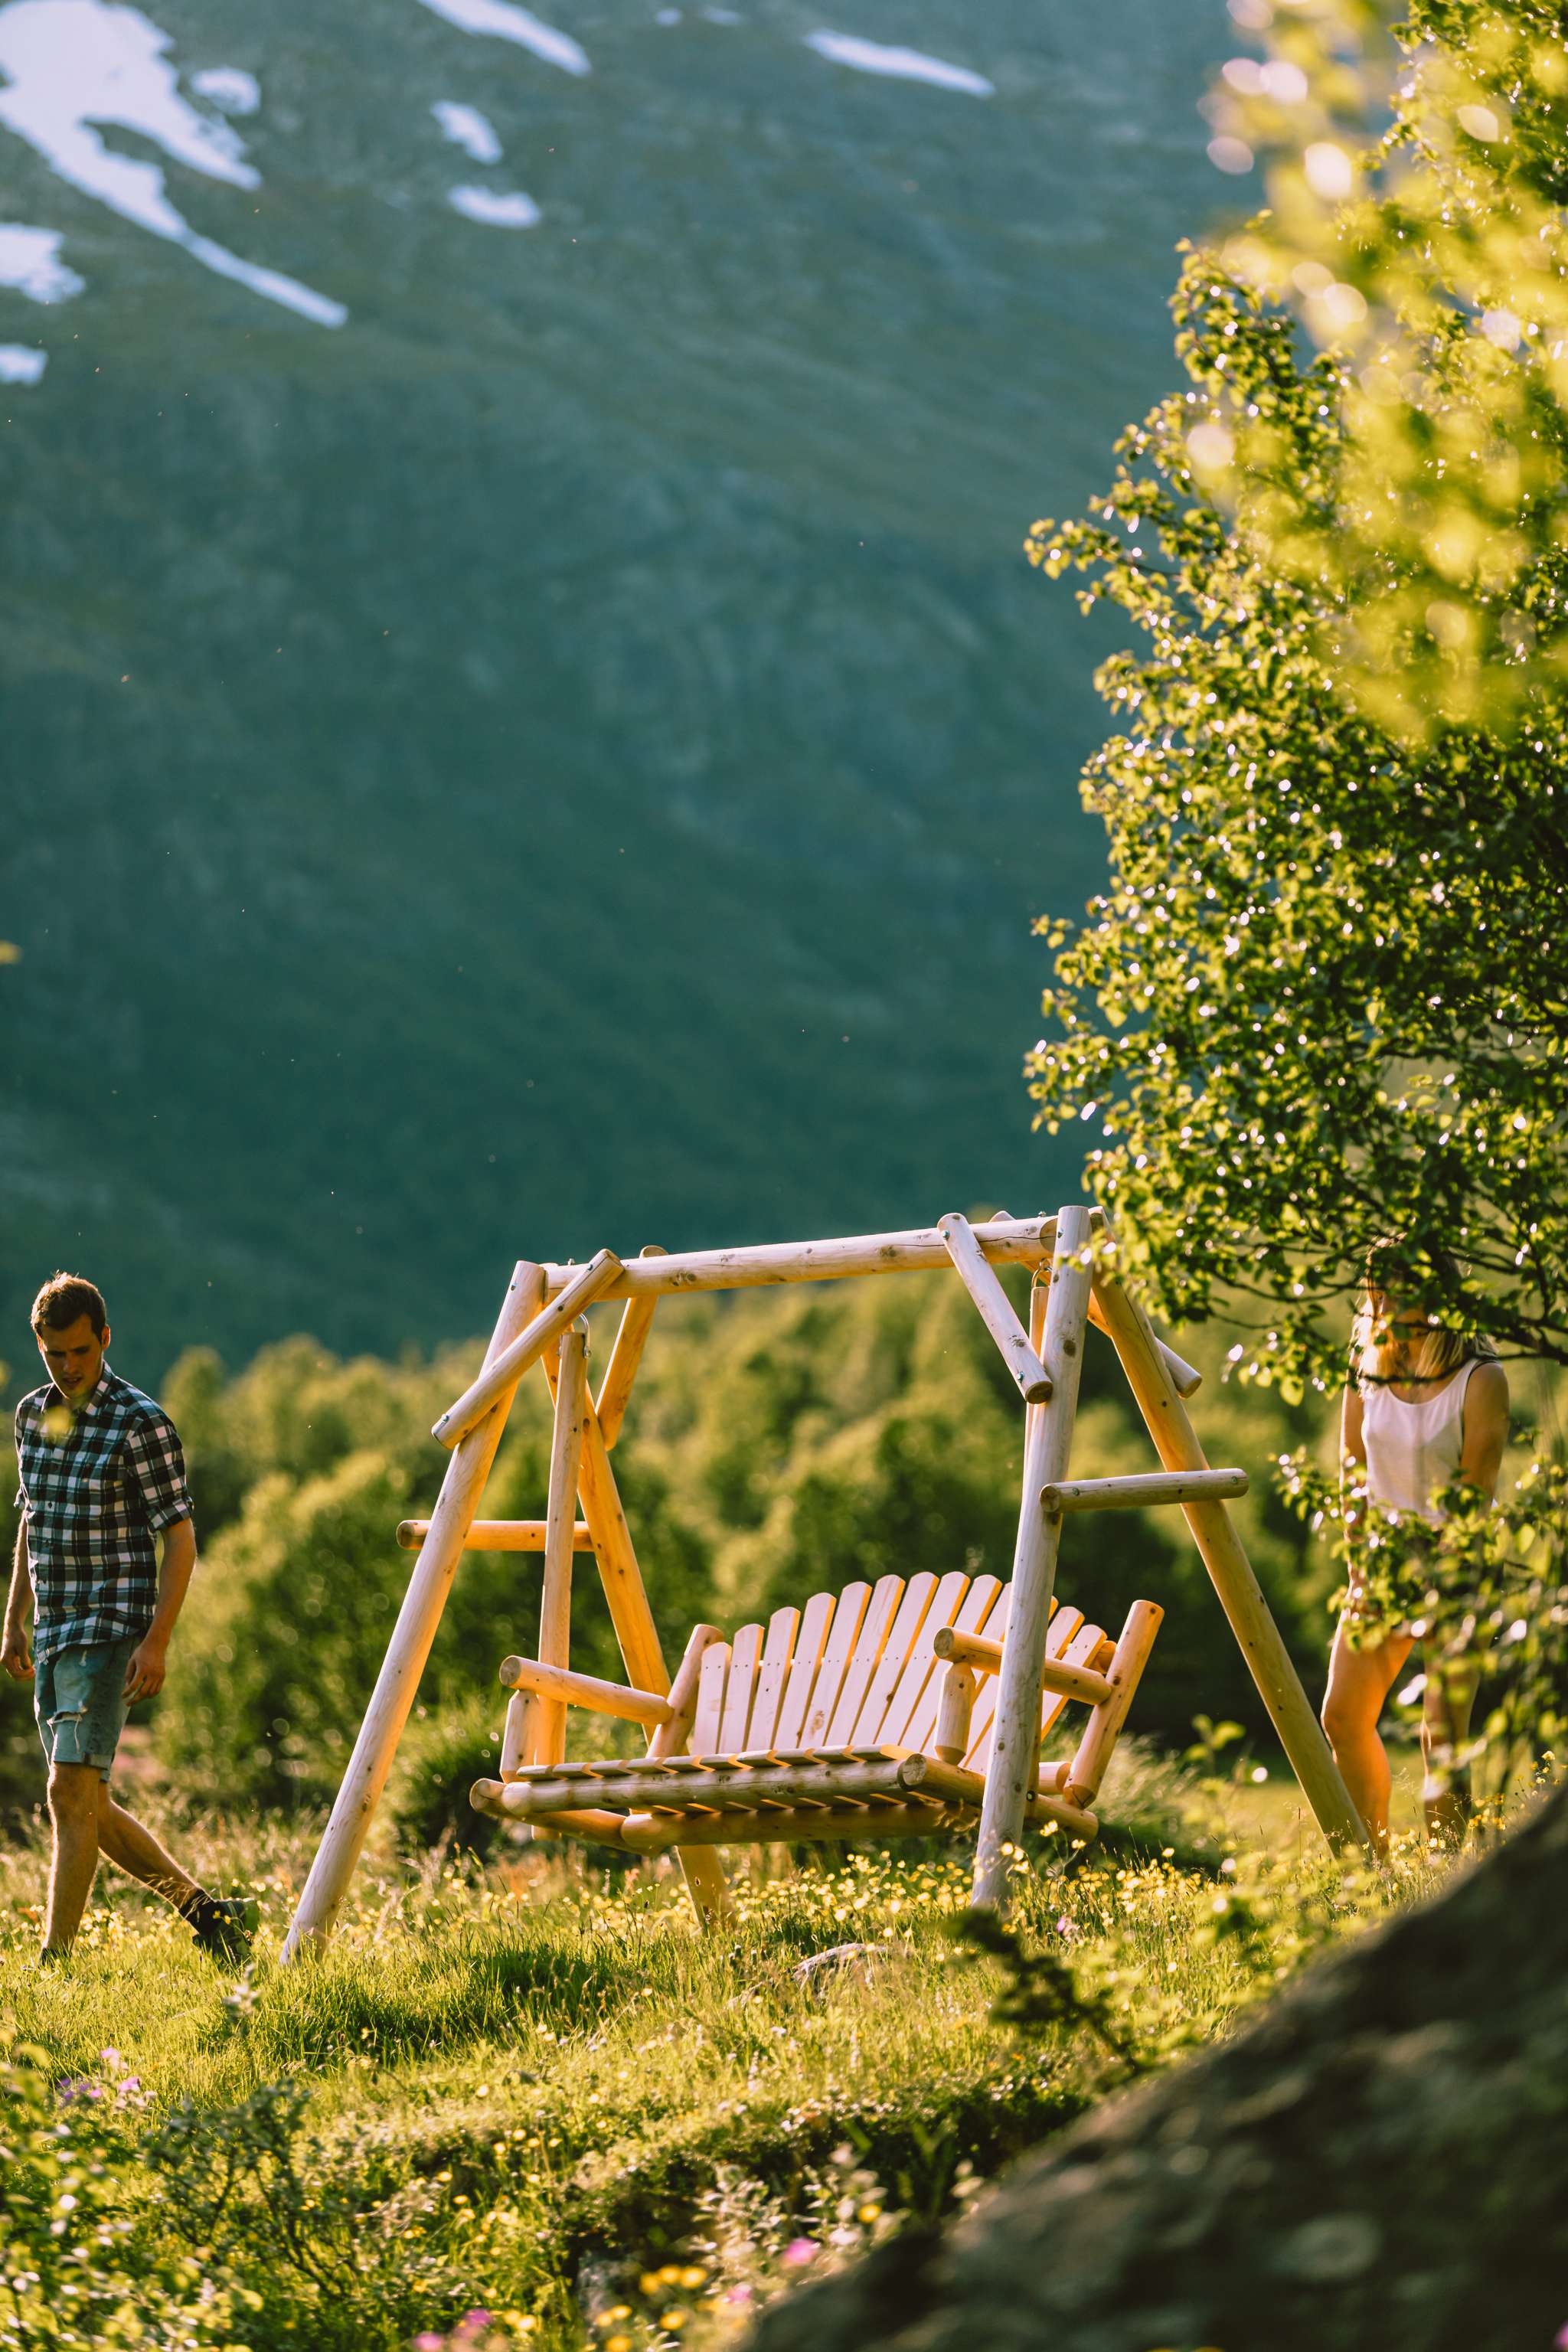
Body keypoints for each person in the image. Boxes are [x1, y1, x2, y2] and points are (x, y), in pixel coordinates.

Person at [2, 1272, 253, 1965]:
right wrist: (13, 1619)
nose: (69, 1366)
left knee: (67, 1789)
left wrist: (158, 1641)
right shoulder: (31, 1416)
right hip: (52, 1628)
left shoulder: (141, 1422)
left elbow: (180, 1538)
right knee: (82, 1803)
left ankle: (58, 1962)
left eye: (80, 1351)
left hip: (112, 1630)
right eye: (55, 1354)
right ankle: (210, 1917)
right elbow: (33, 1517)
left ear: (104, 1339)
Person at [1321, 1236, 1509, 1857]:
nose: (1382, 1301)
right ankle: (1370, 1871)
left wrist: (1437, 1579)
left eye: (1398, 1287)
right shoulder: (1366, 1363)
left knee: (1441, 1736)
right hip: (1378, 1567)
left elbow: (1474, 1496)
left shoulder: (1481, 1378)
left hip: (1454, 1568)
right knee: (1342, 1718)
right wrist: (1360, 1565)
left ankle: (1446, 1878)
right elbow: (1351, 1468)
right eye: (1377, 1289)